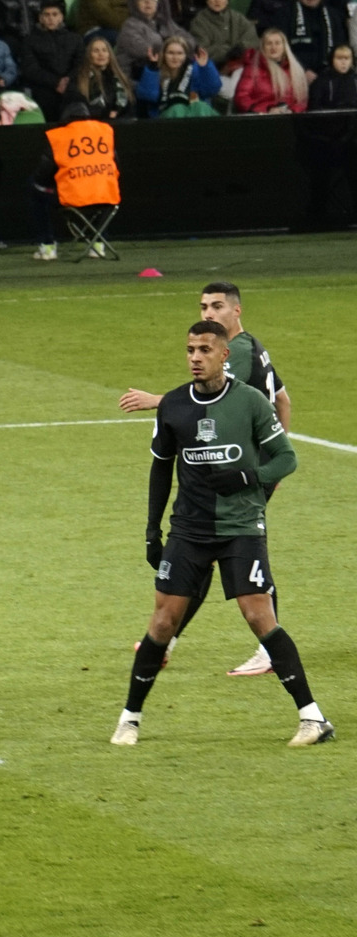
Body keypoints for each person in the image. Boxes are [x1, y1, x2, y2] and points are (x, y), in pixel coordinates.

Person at [114, 319, 328, 747]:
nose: (195, 357)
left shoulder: (249, 402)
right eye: (190, 350)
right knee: (162, 622)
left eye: (205, 350)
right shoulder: (173, 405)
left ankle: (314, 719)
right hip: (189, 529)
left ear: (224, 355)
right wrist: (151, 531)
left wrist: (250, 478)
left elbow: (286, 459)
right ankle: (129, 719)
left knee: (258, 615)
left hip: (240, 527)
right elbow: (160, 469)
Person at [117, 281, 297, 678]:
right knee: (216, 547)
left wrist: (156, 400)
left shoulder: (242, 351)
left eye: (217, 306)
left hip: (237, 470)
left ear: (237, 311)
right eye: (203, 307)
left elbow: (213, 397)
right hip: (248, 466)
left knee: (233, 546)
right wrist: (274, 456)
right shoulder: (256, 345)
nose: (208, 314)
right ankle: (171, 639)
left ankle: (265, 650)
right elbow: (283, 399)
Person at [27, 99, 120, 261]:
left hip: (73, 198)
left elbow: (43, 174)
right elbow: (116, 163)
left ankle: (47, 246)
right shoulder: (104, 131)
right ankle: (98, 243)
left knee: (34, 189)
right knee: (99, 188)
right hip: (107, 197)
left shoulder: (59, 136)